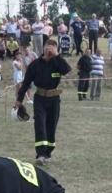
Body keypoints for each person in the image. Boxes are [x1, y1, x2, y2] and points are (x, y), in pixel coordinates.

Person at [14, 38, 70, 167]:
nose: (48, 50)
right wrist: (19, 99)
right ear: (43, 48)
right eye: (47, 47)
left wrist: (57, 55)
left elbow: (67, 69)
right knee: (40, 125)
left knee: (51, 127)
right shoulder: (35, 64)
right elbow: (26, 83)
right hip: (40, 99)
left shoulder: (57, 63)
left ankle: (48, 154)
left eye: (51, 48)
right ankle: (40, 154)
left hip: (54, 99)